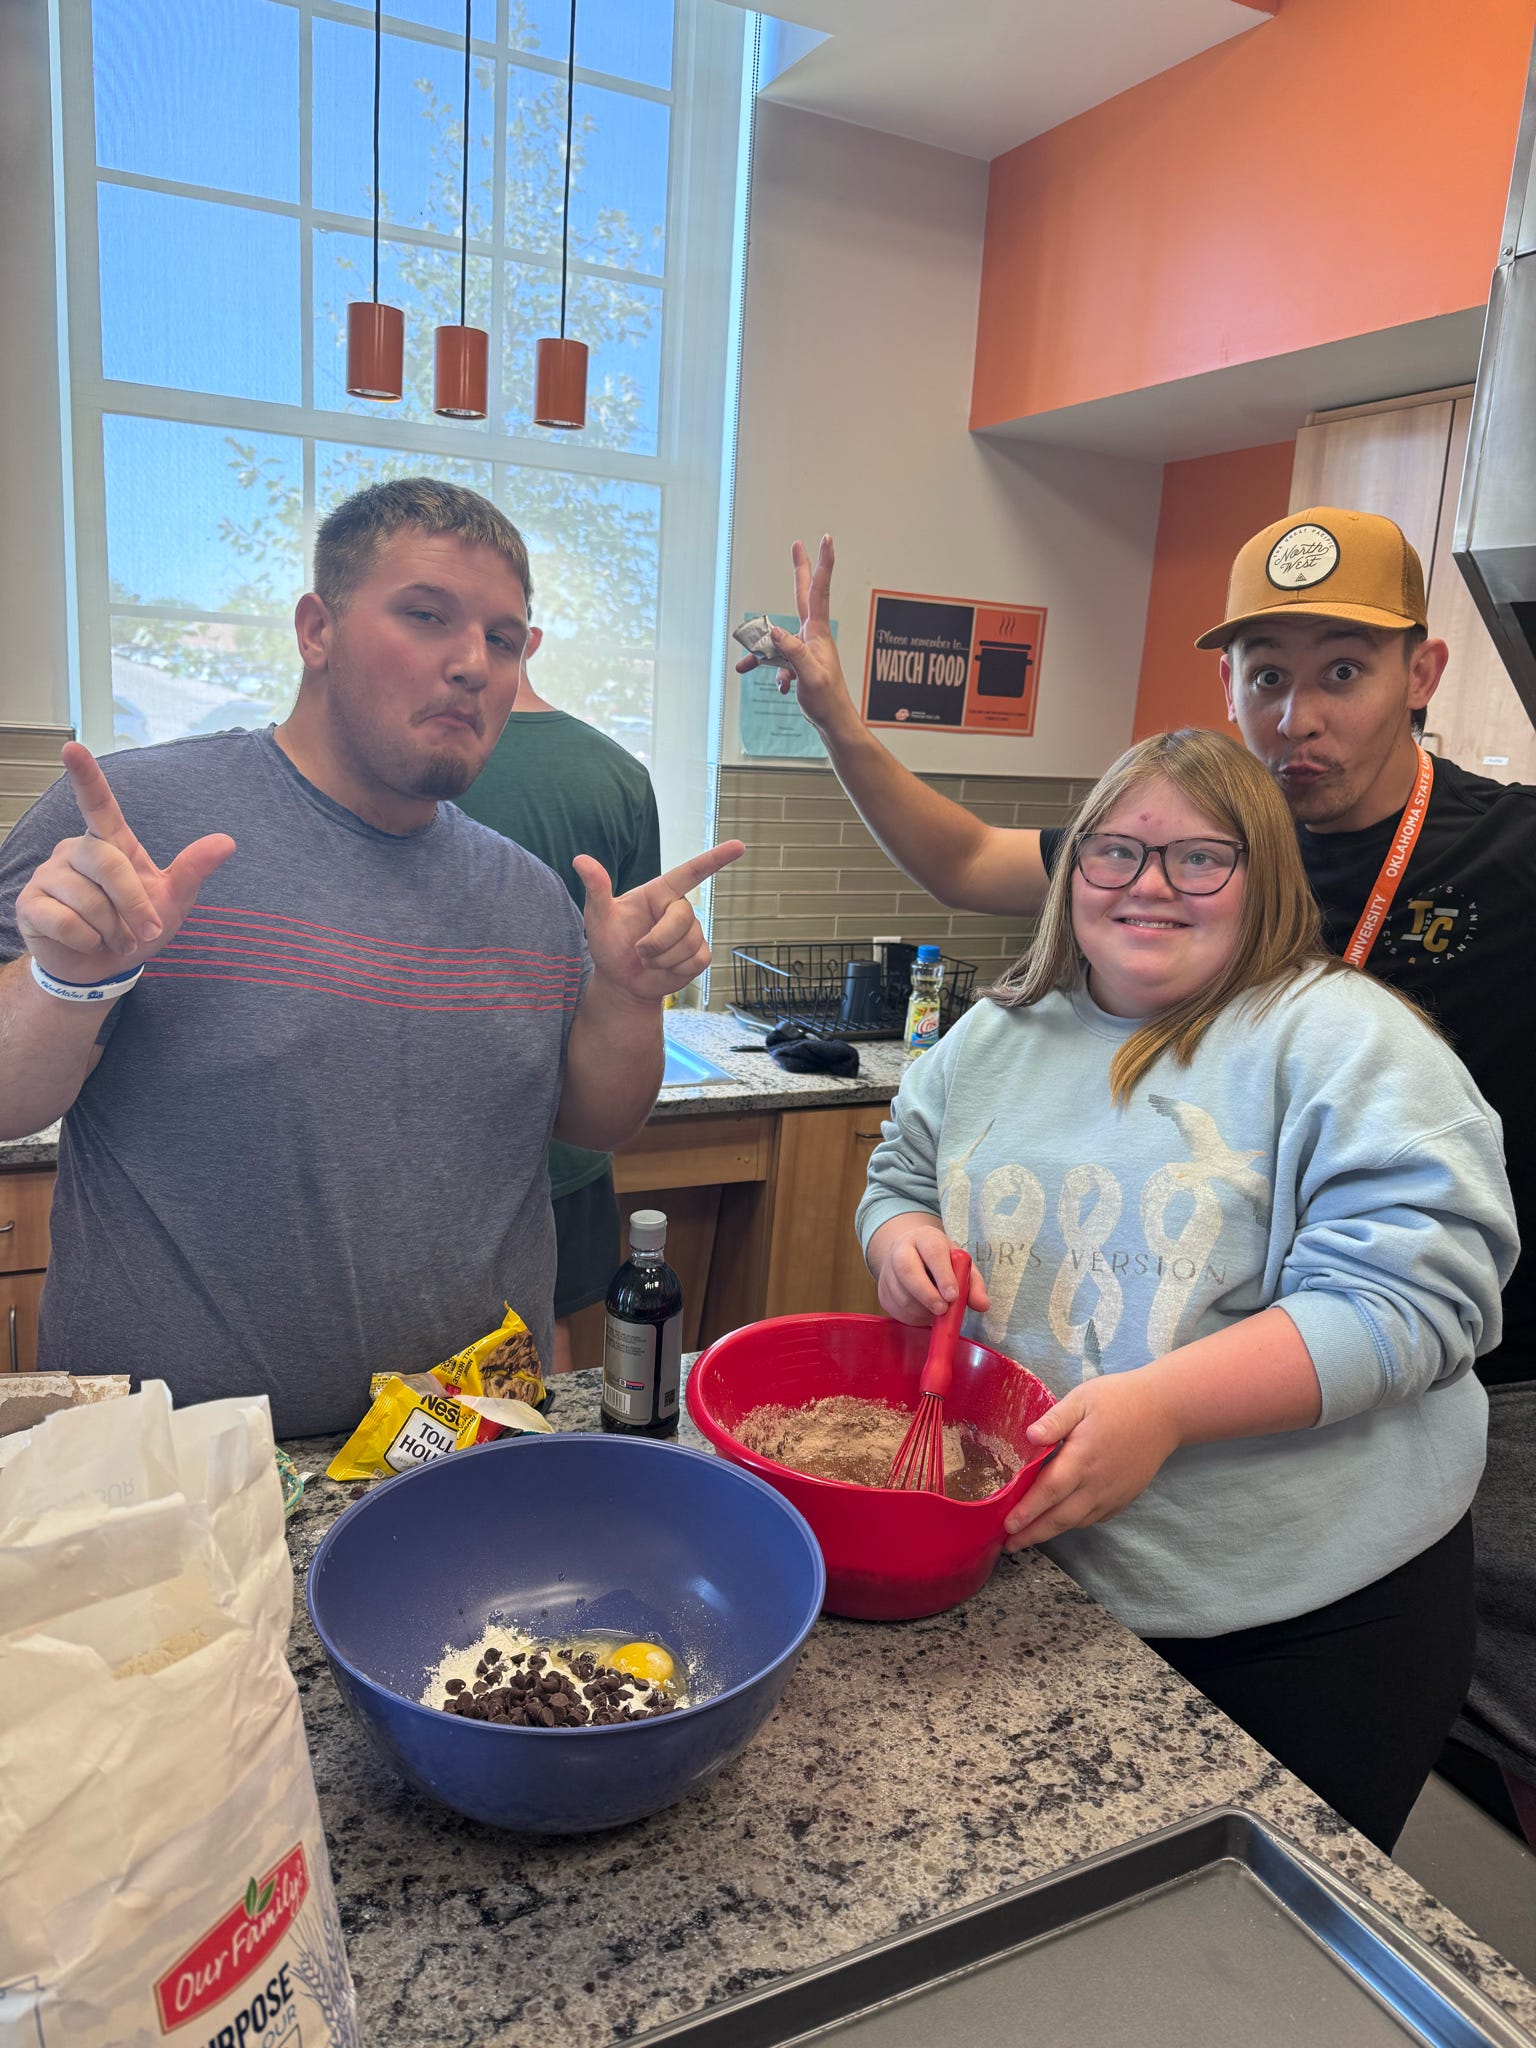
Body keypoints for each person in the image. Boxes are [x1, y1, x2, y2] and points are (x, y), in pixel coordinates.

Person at [757, 512, 1536, 1845]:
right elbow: (902, 1173)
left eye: (1198, 860)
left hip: (1309, 1613)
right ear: (1075, 877)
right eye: (1116, 854)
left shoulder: (1350, 1038)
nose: (1151, 886)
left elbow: (1416, 1298)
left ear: (1257, 874)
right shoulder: (1000, 1034)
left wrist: (1167, 1407)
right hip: (1055, 1585)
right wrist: (896, 1238)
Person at [0, 478, 741, 1438]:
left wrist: (631, 998)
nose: (473, 663)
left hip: (462, 1440)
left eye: (504, 639)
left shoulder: (529, 894)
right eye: (427, 616)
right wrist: (72, 979)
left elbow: (596, 1122)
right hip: (182, 1467)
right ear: (317, 629)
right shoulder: (134, 826)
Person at [455, 670, 662, 1373]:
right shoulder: (618, 775)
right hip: (564, 1136)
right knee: (550, 1337)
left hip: (434, 1135)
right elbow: (636, 954)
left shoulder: (421, 758)